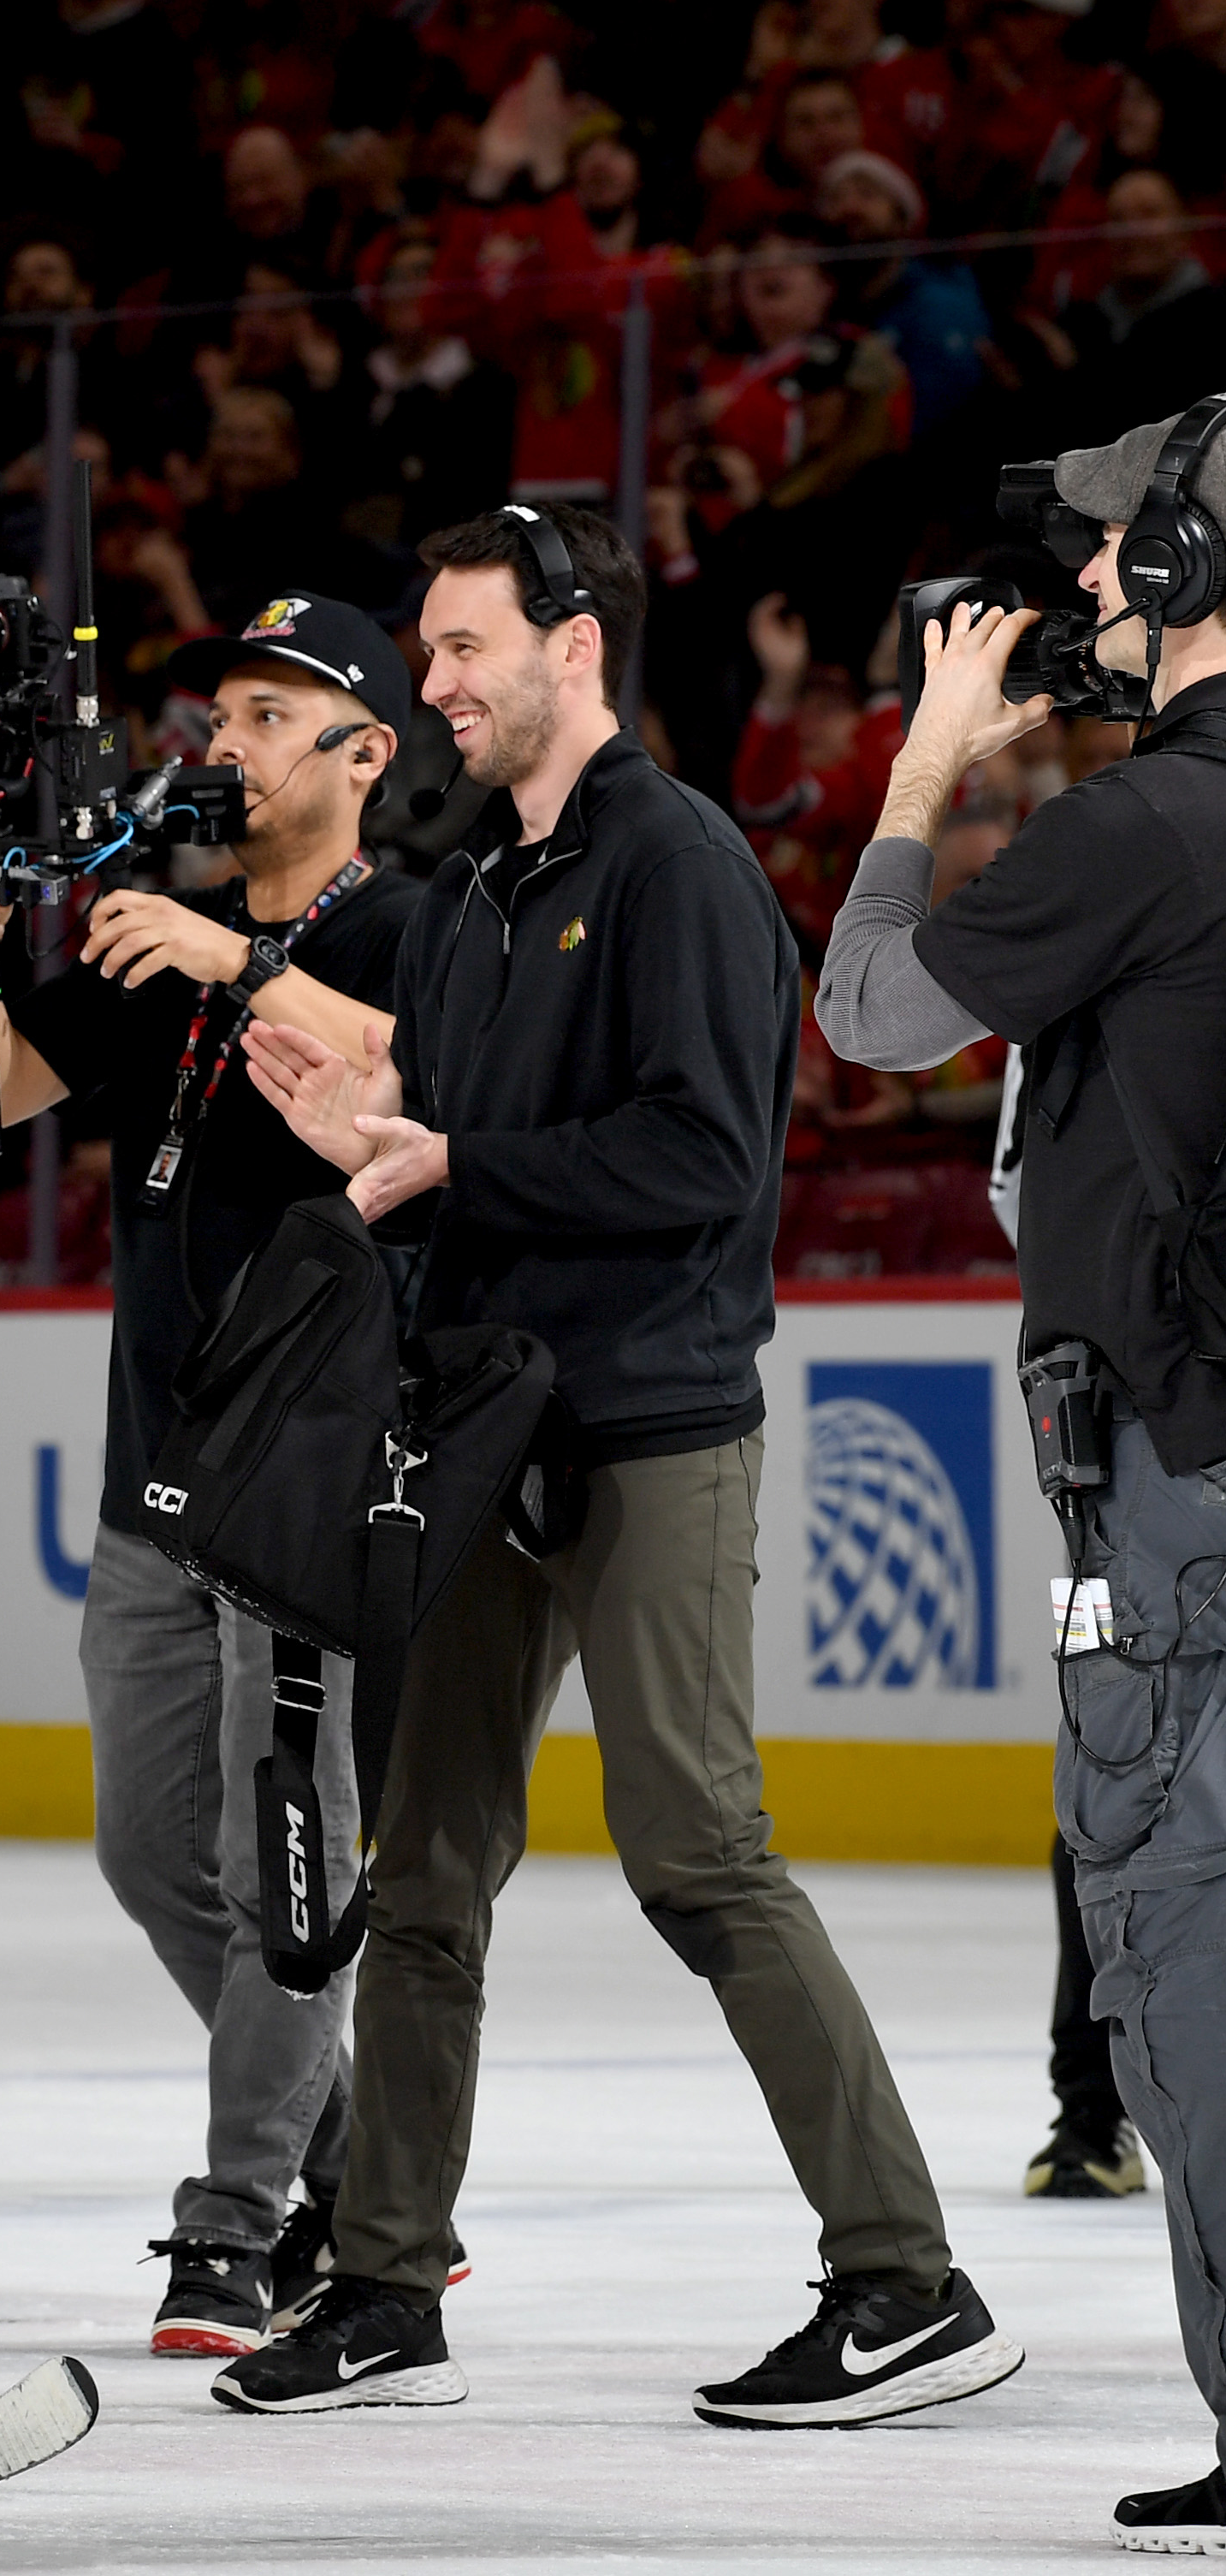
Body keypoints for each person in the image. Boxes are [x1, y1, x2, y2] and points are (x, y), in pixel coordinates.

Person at [227, 501, 1014, 2427]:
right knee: (428, 1872)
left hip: (653, 1427)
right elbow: (476, 1160)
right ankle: (386, 2288)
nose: (433, 682)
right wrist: (380, 1139)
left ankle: (908, 2282)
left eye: (461, 646)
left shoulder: (679, 864)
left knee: (698, 1855)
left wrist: (455, 1159)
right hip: (482, 1436)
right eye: (428, 649)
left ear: (572, 644)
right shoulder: (475, 890)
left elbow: (704, 1159)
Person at [813, 403, 1226, 2548]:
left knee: (1177, 1950)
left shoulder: (1141, 824)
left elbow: (870, 1011)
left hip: (1175, 1477)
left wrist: (920, 769)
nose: (1071, 586)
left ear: (1180, 564)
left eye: (1102, 551)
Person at [0, 597, 423, 2356]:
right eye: (222, 712)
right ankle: (367, 2172)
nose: (230, 741)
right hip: (156, 1474)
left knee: (286, 1853)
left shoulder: (417, 925)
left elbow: (405, 1072)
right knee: (152, 1855)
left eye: (273, 714)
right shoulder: (161, 941)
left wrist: (237, 964)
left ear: (367, 753)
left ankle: (237, 2223)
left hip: (315, 1479)